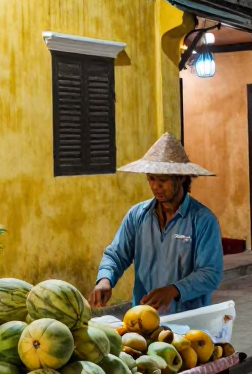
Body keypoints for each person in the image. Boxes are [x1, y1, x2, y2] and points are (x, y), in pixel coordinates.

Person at [88, 132, 224, 316]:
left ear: (181, 177)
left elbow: (210, 273)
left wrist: (174, 290)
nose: (155, 186)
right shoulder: (137, 215)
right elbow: (116, 255)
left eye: (163, 180)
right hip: (143, 320)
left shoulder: (203, 220)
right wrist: (105, 279)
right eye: (151, 178)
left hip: (189, 322)